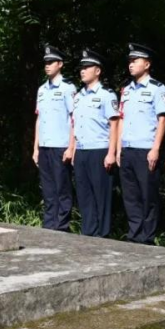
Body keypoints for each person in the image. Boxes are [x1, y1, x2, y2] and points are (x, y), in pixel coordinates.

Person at [116, 43, 165, 244]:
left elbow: (163, 119)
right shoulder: (126, 90)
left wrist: (156, 148)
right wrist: (119, 147)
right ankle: (134, 233)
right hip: (128, 148)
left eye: (135, 61)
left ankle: (148, 236)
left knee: (148, 194)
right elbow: (121, 118)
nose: (130, 64)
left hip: (146, 148)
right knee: (130, 195)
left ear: (146, 64)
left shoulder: (157, 88)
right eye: (129, 61)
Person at [72, 49, 120, 237]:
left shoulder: (107, 95)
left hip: (100, 150)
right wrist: (74, 149)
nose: (82, 70)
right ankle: (88, 234)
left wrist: (111, 153)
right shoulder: (78, 96)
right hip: (82, 151)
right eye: (81, 67)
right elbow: (75, 126)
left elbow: (114, 125)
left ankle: (103, 236)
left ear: (97, 71)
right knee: (85, 196)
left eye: (87, 67)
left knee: (102, 197)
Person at [33, 45, 77, 232]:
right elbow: (39, 119)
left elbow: (75, 119)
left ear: (60, 64)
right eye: (45, 63)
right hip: (44, 146)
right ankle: (49, 225)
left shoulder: (68, 88)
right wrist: (35, 148)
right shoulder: (42, 90)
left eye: (51, 62)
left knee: (62, 189)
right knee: (48, 189)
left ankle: (62, 226)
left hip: (61, 145)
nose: (47, 65)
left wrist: (71, 147)